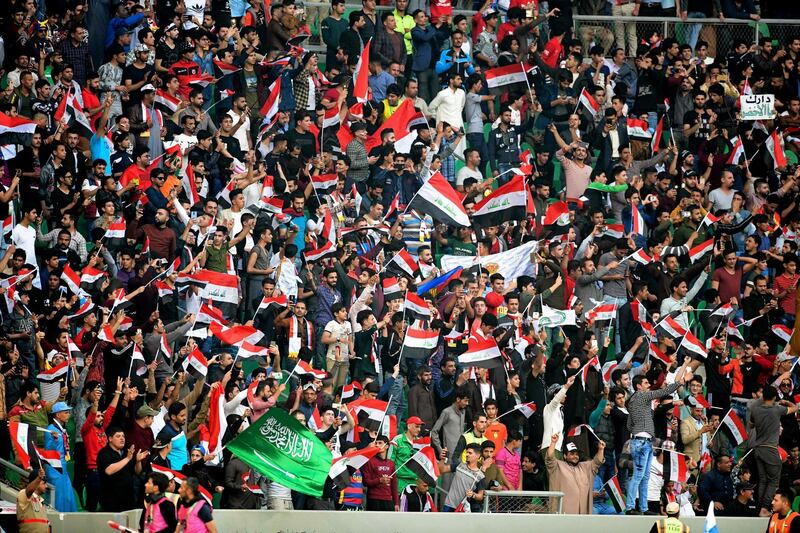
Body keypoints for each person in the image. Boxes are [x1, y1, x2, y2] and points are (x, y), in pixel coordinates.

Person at [546, 435, 605, 514]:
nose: (575, 456)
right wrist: (553, 443)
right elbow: (549, 458)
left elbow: (597, 462)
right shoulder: (558, 466)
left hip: (582, 515)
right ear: (565, 456)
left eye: (577, 454)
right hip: (563, 514)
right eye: (572, 454)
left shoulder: (585, 467)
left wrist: (601, 449)